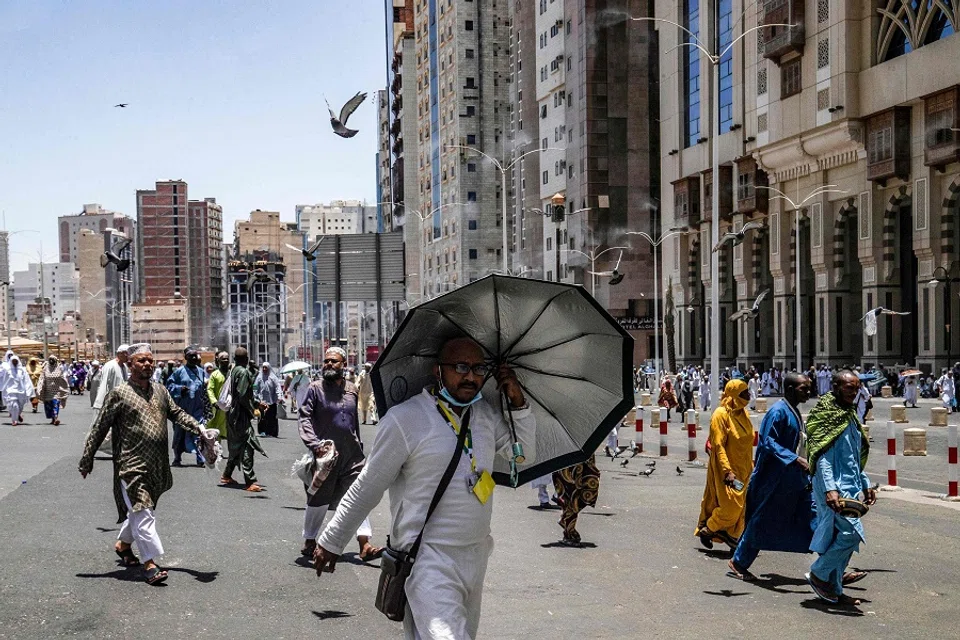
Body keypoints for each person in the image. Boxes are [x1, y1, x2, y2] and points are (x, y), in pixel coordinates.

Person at [313, 336, 535, 639]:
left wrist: (518, 404)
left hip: (476, 555)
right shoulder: (407, 419)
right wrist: (332, 539)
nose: (470, 376)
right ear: (437, 371)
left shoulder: (484, 416)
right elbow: (369, 485)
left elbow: (524, 455)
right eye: (460, 367)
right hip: (427, 558)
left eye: (478, 369)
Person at [78, 344, 206, 585]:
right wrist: (87, 459)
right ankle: (150, 563)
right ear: (130, 364)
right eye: (141, 361)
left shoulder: (160, 391)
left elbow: (177, 414)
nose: (147, 364)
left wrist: (200, 428)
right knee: (143, 511)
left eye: (150, 360)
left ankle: (123, 544)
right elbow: (100, 428)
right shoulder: (119, 394)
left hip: (157, 465)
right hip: (131, 464)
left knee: (142, 509)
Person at [297, 347, 382, 561]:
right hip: (325, 456)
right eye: (326, 361)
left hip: (352, 455)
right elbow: (304, 417)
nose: (328, 364)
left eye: (333, 361)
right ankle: (309, 540)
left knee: (358, 497)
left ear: (343, 364)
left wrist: (359, 445)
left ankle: (365, 545)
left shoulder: (352, 389)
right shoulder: (315, 389)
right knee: (319, 498)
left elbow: (353, 423)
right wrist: (314, 444)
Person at [728, 373, 814, 580]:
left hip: (795, 479)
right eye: (805, 388)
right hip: (773, 479)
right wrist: (795, 459)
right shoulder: (777, 412)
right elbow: (768, 442)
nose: (809, 392)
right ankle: (739, 562)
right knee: (762, 519)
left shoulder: (794, 412)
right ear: (791, 390)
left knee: (813, 516)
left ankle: (830, 566)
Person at [804, 370, 876, 605]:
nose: (853, 392)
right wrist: (830, 490)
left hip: (850, 486)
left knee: (839, 535)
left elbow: (853, 458)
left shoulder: (849, 415)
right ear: (834, 386)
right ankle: (819, 573)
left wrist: (866, 485)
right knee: (849, 533)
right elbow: (821, 458)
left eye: (856, 388)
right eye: (848, 387)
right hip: (831, 488)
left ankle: (834, 588)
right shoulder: (825, 415)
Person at [696, 379, 754, 550]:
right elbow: (719, 445)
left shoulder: (744, 414)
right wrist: (727, 471)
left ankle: (730, 535)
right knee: (730, 509)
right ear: (734, 394)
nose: (748, 395)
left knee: (742, 508)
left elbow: (747, 443)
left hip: (744, 470)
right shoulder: (720, 415)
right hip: (727, 472)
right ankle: (709, 528)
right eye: (744, 393)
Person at [220, 347, 264, 492]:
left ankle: (227, 475)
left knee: (235, 444)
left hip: (232, 414)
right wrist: (254, 408)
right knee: (247, 445)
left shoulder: (233, 370)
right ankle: (250, 480)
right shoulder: (243, 372)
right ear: (246, 359)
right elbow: (244, 395)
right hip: (240, 415)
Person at [166, 347, 208, 467]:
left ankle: (200, 458)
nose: (194, 358)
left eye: (195, 356)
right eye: (191, 356)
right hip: (182, 409)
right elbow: (169, 386)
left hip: (197, 409)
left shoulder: (201, 371)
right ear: (186, 358)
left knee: (199, 432)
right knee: (180, 433)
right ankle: (177, 458)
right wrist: (179, 389)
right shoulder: (179, 372)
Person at [552, 457, 601, 547]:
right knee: (571, 498)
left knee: (588, 492)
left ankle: (566, 521)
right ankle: (569, 533)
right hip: (566, 463)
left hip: (583, 460)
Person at [94, 345, 130, 410]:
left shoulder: (125, 367)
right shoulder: (110, 366)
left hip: (121, 403)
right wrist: (99, 404)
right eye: (127, 354)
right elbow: (104, 384)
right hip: (110, 403)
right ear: (120, 354)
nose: (128, 356)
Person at [205, 351, 230, 445]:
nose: (225, 360)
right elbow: (210, 389)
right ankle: (216, 450)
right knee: (217, 429)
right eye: (223, 359)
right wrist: (214, 402)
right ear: (218, 361)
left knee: (231, 429)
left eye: (227, 358)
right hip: (218, 407)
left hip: (230, 406)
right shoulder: (214, 375)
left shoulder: (232, 373)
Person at [2, 355, 35, 426]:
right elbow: (4, 381)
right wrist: (3, 389)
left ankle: (17, 414)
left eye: (16, 361)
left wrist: (28, 389)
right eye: (13, 361)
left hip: (21, 391)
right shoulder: (8, 370)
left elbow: (26, 380)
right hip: (11, 391)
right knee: (14, 405)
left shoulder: (22, 370)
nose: (14, 362)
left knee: (20, 406)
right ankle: (14, 420)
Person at [37, 355, 69, 425]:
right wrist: (40, 387)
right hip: (47, 391)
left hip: (56, 391)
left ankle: (56, 418)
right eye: (50, 359)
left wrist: (65, 387)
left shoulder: (59, 369)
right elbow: (42, 378)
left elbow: (62, 379)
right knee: (49, 406)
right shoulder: (45, 369)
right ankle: (53, 418)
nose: (51, 361)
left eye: (53, 360)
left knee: (55, 404)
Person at [254, 362, 282, 438]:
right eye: (263, 367)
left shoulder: (273, 377)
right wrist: (255, 396)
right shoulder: (259, 377)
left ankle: (272, 432)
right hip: (262, 401)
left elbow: (277, 387)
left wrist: (279, 396)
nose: (264, 369)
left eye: (266, 368)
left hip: (272, 401)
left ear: (269, 368)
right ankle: (262, 431)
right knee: (262, 417)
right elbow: (255, 387)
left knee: (272, 418)